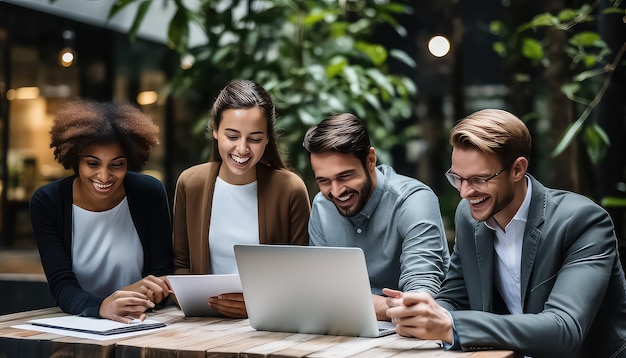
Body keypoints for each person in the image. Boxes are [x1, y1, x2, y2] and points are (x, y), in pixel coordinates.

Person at [385, 109, 626, 357]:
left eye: (479, 179)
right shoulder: (468, 217)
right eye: (458, 178)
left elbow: (564, 329)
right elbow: (455, 300)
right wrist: (419, 313)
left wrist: (451, 324)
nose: (465, 192)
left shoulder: (583, 222)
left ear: (518, 169)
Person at [172, 79, 311, 318]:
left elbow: (304, 273)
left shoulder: (290, 189)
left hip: (269, 324)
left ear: (268, 139)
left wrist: (260, 304)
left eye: (255, 138)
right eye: (232, 136)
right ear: (215, 130)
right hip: (203, 322)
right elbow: (181, 265)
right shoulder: (190, 183)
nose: (242, 149)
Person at [30, 99, 173, 324]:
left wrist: (141, 296)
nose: (104, 176)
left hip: (141, 322)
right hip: (76, 326)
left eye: (117, 164)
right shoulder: (48, 202)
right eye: (93, 163)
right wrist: (104, 306)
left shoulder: (149, 193)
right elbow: (62, 286)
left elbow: (162, 275)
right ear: (75, 158)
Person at [302, 113, 450, 321]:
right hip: (347, 331)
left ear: (370, 159)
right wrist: (384, 306)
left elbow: (421, 299)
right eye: (324, 181)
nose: (335, 191)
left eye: (345, 176)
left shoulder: (414, 200)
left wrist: (347, 304)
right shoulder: (321, 205)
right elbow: (320, 293)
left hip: (414, 336)